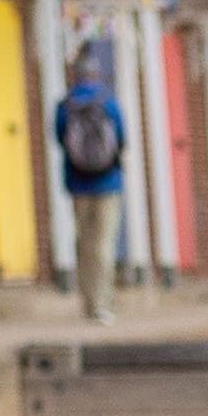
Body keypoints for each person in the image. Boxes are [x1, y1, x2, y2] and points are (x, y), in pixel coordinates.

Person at [55, 43, 127, 323]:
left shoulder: (66, 105)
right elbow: (121, 138)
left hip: (78, 182)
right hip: (109, 182)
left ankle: (89, 301)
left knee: (84, 242)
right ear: (97, 74)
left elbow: (60, 138)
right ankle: (103, 303)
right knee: (103, 243)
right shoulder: (108, 102)